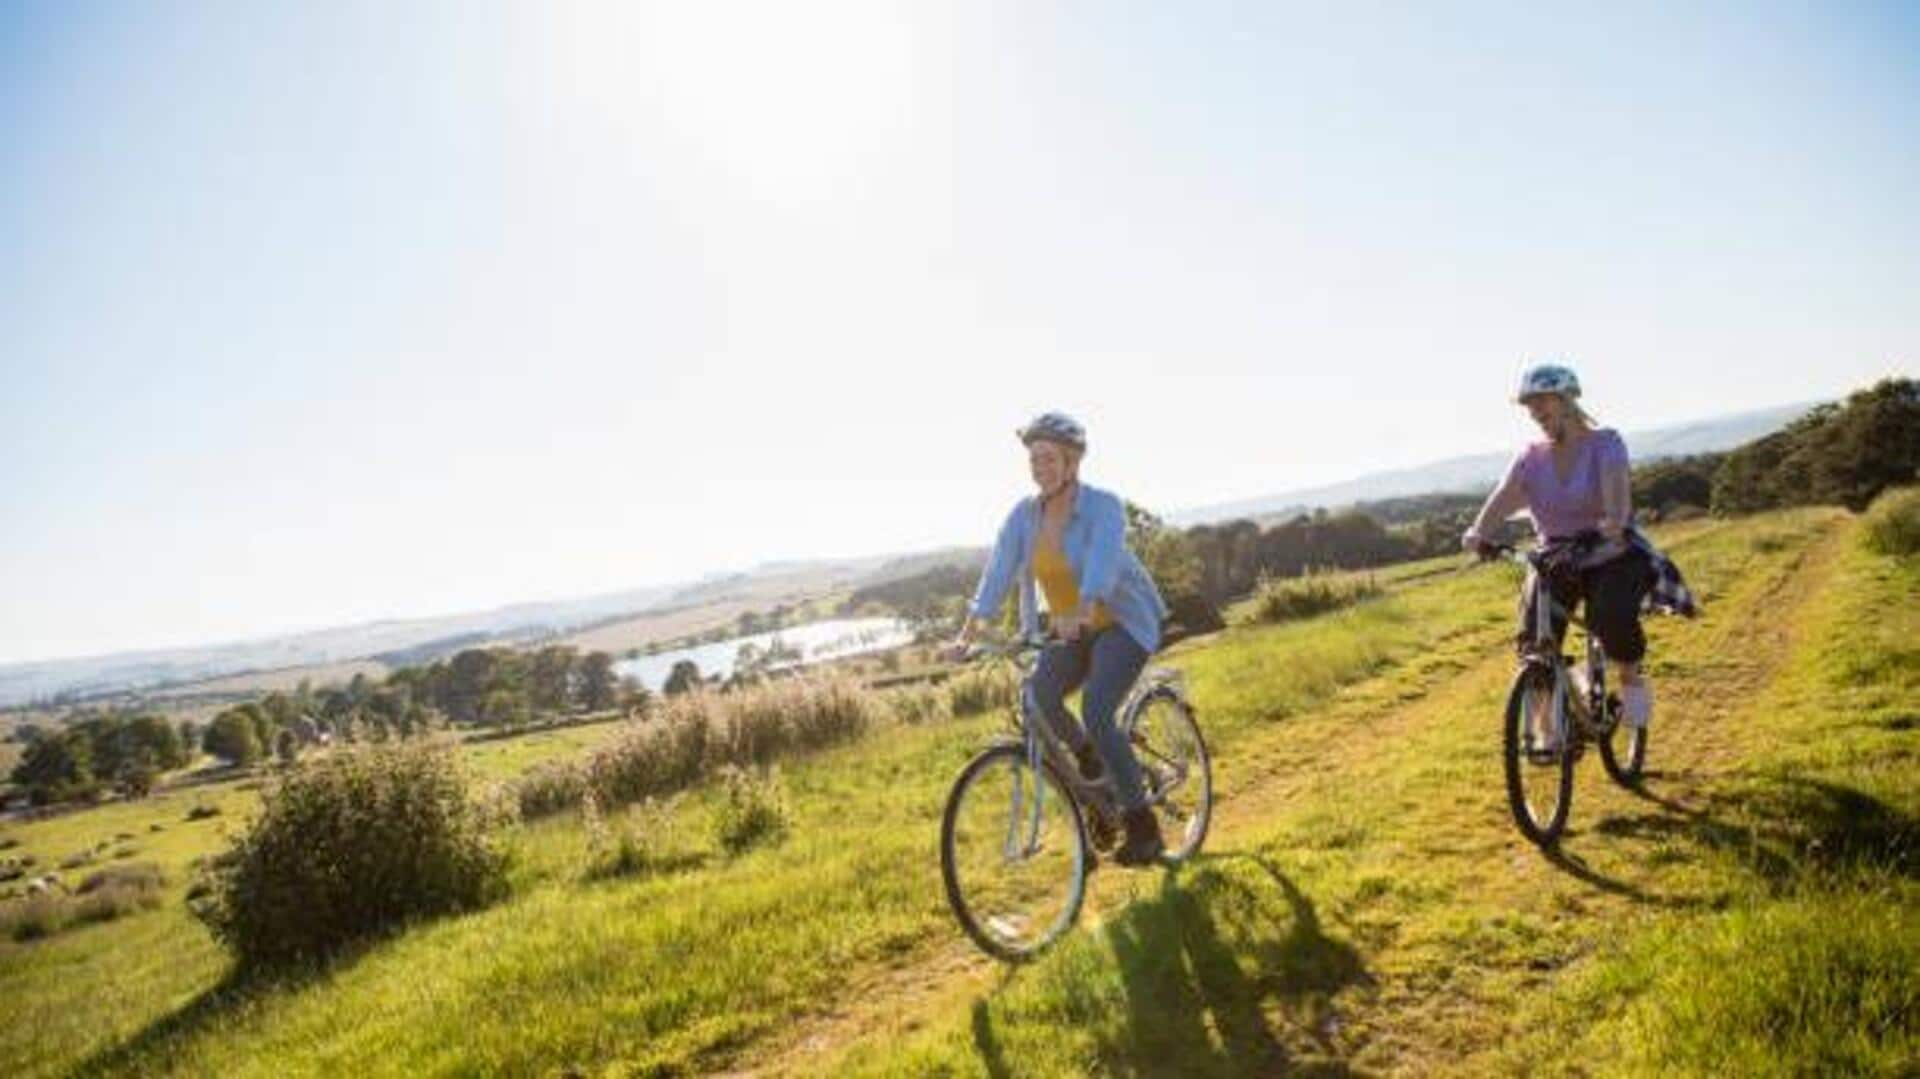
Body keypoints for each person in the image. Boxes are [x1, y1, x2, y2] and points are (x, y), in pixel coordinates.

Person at [951, 412, 1171, 866]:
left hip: (1121, 624)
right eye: (1034, 459)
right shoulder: (1023, 517)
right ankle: (1092, 769)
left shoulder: (1103, 507)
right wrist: (968, 632)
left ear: (1071, 462)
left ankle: (1143, 826)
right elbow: (998, 572)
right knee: (1039, 698)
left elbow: (1103, 563)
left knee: (1096, 708)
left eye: (1048, 458)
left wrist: (1085, 607)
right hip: (1070, 630)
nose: (1039, 466)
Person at [1463, 363, 1664, 754]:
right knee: (1534, 640)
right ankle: (1548, 734)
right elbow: (1505, 495)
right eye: (1530, 405)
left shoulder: (1605, 444)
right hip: (1556, 556)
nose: (1535, 411)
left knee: (1610, 621)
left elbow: (1617, 491)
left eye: (1542, 402)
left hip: (1610, 551)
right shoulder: (1530, 457)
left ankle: (1632, 694)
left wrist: (1615, 521)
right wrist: (1478, 531)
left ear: (1568, 400)